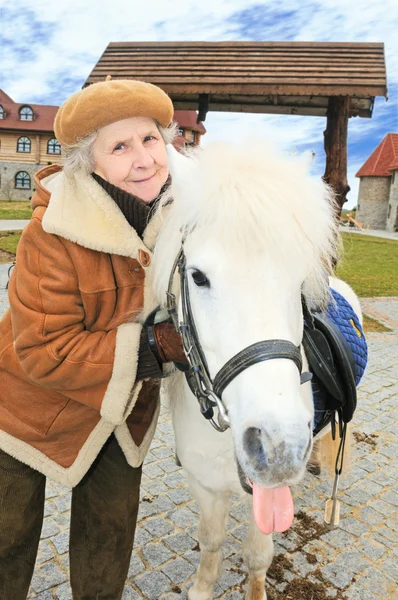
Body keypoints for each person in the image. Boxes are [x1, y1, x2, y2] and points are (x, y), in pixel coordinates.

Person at [0, 78, 187, 600]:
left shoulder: (189, 217)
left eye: (150, 139)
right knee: (6, 539)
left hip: (122, 409)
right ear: (89, 162)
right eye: (120, 147)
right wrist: (157, 347)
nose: (144, 159)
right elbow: (43, 350)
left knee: (109, 540)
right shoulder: (51, 231)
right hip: (26, 407)